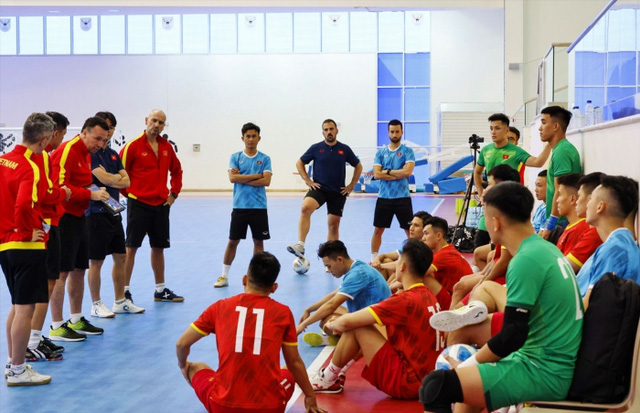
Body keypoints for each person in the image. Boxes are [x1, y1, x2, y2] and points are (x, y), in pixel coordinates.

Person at [420, 182, 584, 412]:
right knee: (466, 390)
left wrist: (467, 366)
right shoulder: (544, 248)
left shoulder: (525, 260)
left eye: (486, 217)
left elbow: (512, 335)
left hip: (542, 371)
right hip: (546, 362)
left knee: (434, 386)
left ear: (495, 221)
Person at [175, 252, 326, 413]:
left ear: (244, 280)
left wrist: (183, 365)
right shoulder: (283, 313)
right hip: (270, 407)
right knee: (287, 370)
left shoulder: (219, 307)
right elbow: (294, 362)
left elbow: (182, 344)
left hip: (222, 406)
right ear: (274, 288)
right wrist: (310, 396)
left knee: (195, 367)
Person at [315, 239, 442, 399]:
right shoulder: (429, 294)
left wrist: (332, 324)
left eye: (397, 262)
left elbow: (348, 321)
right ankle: (339, 370)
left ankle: (327, 378)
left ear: (402, 266)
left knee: (356, 325)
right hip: (428, 379)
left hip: (407, 383)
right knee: (369, 325)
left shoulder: (404, 300)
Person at [1, 113, 56, 385]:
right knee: (25, 308)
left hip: (5, 244)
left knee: (16, 305)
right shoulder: (28, 166)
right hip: (25, 245)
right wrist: (26, 231)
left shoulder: (2, 160)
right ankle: (19, 369)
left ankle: (13, 363)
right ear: (44, 140)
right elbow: (23, 205)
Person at [49, 117, 111, 341]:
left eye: (104, 140)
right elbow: (58, 187)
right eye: (97, 138)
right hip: (63, 218)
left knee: (78, 270)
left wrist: (95, 191)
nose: (100, 144)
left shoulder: (87, 153)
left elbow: (79, 183)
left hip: (79, 217)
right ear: (84, 132)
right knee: (61, 272)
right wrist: (90, 194)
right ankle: (57, 325)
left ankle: (76, 318)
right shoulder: (67, 151)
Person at [120, 109, 184, 303]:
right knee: (130, 248)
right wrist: (131, 195)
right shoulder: (132, 146)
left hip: (161, 206)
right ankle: (123, 292)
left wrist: (173, 194)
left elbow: (177, 171)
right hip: (138, 205)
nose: (157, 125)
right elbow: (120, 175)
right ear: (146, 120)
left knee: (158, 248)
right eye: (154, 120)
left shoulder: (166, 147)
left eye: (161, 123)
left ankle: (160, 290)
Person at [87, 111, 145, 318]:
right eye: (105, 127)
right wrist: (113, 179)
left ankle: (120, 301)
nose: (108, 132)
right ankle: (96, 304)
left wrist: (111, 179)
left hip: (114, 211)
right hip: (95, 213)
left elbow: (125, 181)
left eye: (111, 128)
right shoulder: (90, 153)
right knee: (96, 261)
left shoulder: (112, 154)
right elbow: (107, 179)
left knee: (120, 256)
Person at [286, 119, 363, 266]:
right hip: (319, 189)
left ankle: (331, 260)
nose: (329, 132)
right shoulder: (316, 148)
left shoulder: (344, 149)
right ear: (323, 132)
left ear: (336, 131)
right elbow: (299, 162)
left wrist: (351, 185)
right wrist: (307, 180)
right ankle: (300, 245)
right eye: (326, 130)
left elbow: (358, 166)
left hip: (337, 192)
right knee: (305, 207)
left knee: (333, 225)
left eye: (331, 129)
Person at [27, 111, 70, 361]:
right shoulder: (42, 157)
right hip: (44, 224)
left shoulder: (38, 156)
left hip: (44, 223)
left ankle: (34, 336)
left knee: (45, 284)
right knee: (45, 284)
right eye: (62, 135)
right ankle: (31, 341)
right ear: (53, 133)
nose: (61, 139)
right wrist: (63, 194)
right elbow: (45, 193)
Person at [473, 113, 550, 250]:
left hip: (507, 206)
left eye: (497, 128)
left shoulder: (516, 152)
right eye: (491, 128)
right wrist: (481, 193)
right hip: (490, 204)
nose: (493, 132)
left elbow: (538, 162)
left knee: (502, 247)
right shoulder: (486, 151)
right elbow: (477, 172)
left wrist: (550, 143)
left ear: (506, 130)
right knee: (480, 244)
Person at [297, 240, 391, 349]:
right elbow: (333, 295)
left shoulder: (356, 275)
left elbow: (332, 305)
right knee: (326, 317)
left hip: (380, 326)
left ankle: (355, 343)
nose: (329, 270)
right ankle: (342, 339)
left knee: (327, 322)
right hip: (374, 317)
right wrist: (308, 310)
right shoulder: (357, 266)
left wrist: (302, 325)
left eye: (329, 266)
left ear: (340, 260)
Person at [215, 122, 272, 288]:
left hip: (259, 207)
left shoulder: (265, 158)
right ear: (243, 138)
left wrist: (243, 177)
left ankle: (257, 277)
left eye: (254, 136)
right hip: (239, 207)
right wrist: (256, 176)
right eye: (248, 136)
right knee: (233, 241)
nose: (251, 139)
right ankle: (224, 276)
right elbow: (232, 179)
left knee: (258, 242)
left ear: (259, 138)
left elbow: (267, 181)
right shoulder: (235, 157)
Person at [576, 175, 640, 307]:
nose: (587, 204)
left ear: (600, 207)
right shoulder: (621, 244)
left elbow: (589, 307)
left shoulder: (614, 251)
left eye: (591, 199)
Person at [370, 119, 415, 261]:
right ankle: (374, 258)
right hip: (384, 197)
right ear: (388, 133)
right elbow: (376, 174)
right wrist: (397, 173)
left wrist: (387, 172)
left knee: (410, 231)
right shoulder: (381, 152)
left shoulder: (407, 151)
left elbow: (407, 172)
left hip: (403, 197)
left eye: (397, 131)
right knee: (378, 230)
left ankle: (413, 257)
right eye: (392, 132)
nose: (394, 134)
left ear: (402, 132)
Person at [538, 106, 582, 241]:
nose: (540, 128)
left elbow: (560, 190)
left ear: (556, 126)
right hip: (559, 220)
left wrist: (550, 226)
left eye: (544, 122)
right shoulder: (558, 149)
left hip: (561, 221)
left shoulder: (562, 151)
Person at [422, 216, 472, 311]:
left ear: (438, 236)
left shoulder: (443, 255)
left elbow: (413, 273)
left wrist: (391, 286)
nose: (423, 238)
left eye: (426, 234)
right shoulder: (446, 250)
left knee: (422, 276)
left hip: (456, 301)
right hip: (460, 296)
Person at [554, 173, 602, 273]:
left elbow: (562, 270)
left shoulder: (583, 230)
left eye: (559, 195)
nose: (557, 200)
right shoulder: (572, 227)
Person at [371, 210, 431, 282]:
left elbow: (403, 268)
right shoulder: (411, 244)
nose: (411, 228)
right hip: (401, 277)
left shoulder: (424, 249)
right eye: (411, 224)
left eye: (416, 225)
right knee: (386, 260)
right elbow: (386, 255)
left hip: (409, 281)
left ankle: (383, 290)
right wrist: (377, 259)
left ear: (425, 229)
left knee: (396, 267)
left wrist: (379, 266)